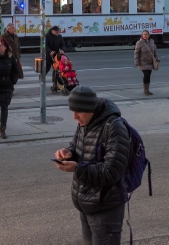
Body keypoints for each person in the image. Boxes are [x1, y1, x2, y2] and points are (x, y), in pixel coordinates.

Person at [54, 85, 131, 245]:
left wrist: (77, 168)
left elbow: (112, 172)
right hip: (87, 205)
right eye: (72, 111)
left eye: (78, 112)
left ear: (91, 109)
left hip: (106, 208)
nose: (74, 117)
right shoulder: (84, 122)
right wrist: (68, 152)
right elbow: (77, 146)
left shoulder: (114, 127)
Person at [0, 38, 20, 139]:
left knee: (4, 107)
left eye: (1, 45)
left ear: (6, 47)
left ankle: (3, 128)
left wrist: (12, 81)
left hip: (6, 85)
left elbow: (16, 70)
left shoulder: (10, 57)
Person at [133, 30, 158, 96]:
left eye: (146, 34)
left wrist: (156, 59)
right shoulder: (139, 43)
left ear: (148, 35)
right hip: (143, 62)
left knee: (148, 75)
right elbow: (136, 53)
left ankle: (147, 89)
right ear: (142, 35)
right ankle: (145, 90)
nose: (145, 35)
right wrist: (137, 62)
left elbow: (154, 51)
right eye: (143, 34)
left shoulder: (152, 42)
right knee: (146, 74)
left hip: (150, 62)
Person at [45, 26, 65, 91]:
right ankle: (42, 77)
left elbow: (62, 44)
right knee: (47, 67)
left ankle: (55, 82)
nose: (57, 32)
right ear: (52, 31)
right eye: (56, 31)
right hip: (48, 55)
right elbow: (45, 45)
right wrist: (50, 51)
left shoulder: (59, 36)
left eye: (58, 31)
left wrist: (62, 49)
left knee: (56, 68)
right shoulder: (47, 36)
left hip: (56, 55)